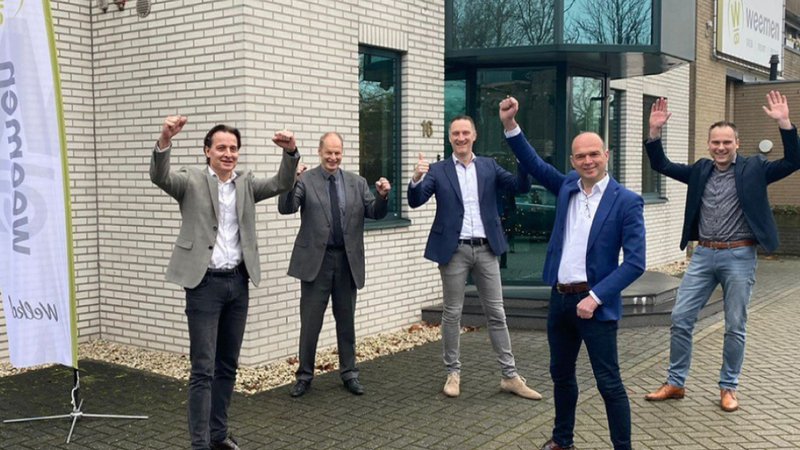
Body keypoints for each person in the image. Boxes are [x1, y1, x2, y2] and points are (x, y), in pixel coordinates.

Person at [500, 97, 645, 450]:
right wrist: (509, 124)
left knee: (609, 383)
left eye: (594, 154)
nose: (588, 161)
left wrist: (596, 298)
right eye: (581, 156)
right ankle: (562, 440)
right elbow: (534, 164)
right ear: (572, 161)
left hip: (595, 305)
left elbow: (635, 262)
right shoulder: (567, 187)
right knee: (561, 377)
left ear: (606, 155)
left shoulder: (626, 201)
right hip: (561, 300)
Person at [643, 90, 800, 412]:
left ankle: (728, 387)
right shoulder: (701, 170)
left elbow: (793, 161)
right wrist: (654, 131)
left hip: (739, 257)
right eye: (716, 142)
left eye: (727, 142)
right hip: (703, 256)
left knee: (734, 325)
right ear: (708, 144)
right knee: (680, 317)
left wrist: (785, 124)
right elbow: (661, 164)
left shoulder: (755, 168)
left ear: (737, 144)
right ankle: (675, 383)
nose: (721, 147)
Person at [150, 116, 299, 450]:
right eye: (221, 148)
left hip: (237, 283)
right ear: (207, 151)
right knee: (203, 369)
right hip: (204, 286)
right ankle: (199, 443)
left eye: (233, 148)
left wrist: (290, 152)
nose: (228, 153)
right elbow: (160, 176)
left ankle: (218, 435)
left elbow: (281, 183)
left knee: (227, 366)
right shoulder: (190, 180)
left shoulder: (245, 183)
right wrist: (165, 139)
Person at [407, 115, 541, 400]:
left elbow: (519, 186)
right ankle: (452, 373)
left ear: (474, 135)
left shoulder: (489, 166)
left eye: (465, 133)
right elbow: (416, 201)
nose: (461, 138)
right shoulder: (439, 170)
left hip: (486, 249)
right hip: (453, 250)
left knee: (496, 313)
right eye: (455, 133)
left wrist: (523, 161)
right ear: (450, 138)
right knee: (452, 314)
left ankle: (510, 376)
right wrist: (417, 178)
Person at [279, 132, 390, 397]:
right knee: (310, 324)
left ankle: (349, 373)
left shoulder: (357, 182)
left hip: (346, 261)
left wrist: (383, 196)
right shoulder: (305, 179)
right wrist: (291, 181)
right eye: (328, 152)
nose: (333, 157)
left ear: (342, 153)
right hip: (316, 263)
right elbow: (286, 208)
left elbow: (374, 212)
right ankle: (304, 376)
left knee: (346, 322)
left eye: (337, 153)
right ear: (320, 152)